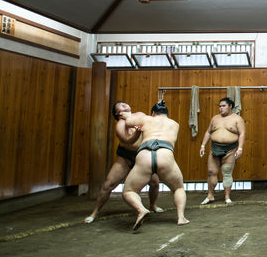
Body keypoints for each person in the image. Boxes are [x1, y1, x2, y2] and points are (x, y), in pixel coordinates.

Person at [84, 101, 163, 224]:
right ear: (117, 113)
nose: (124, 104)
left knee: (155, 183)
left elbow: (151, 125)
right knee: (108, 185)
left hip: (142, 155)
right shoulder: (120, 125)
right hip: (125, 157)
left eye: (125, 103)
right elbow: (129, 141)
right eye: (120, 105)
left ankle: (153, 205)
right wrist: (137, 132)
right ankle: (94, 212)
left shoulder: (140, 115)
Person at [119, 101, 190, 231]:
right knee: (178, 188)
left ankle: (141, 209)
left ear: (153, 113)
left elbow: (128, 122)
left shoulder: (146, 119)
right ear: (167, 114)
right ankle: (181, 218)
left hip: (144, 154)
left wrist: (125, 114)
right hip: (165, 154)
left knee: (128, 191)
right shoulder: (175, 124)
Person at [199, 97, 246, 205]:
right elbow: (208, 132)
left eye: (223, 106)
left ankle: (227, 197)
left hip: (230, 150)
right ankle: (210, 196)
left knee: (227, 172)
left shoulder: (237, 119)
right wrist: (202, 146)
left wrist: (240, 148)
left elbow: (242, 134)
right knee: (211, 172)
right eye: (220, 106)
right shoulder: (215, 118)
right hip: (214, 148)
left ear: (230, 106)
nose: (221, 108)